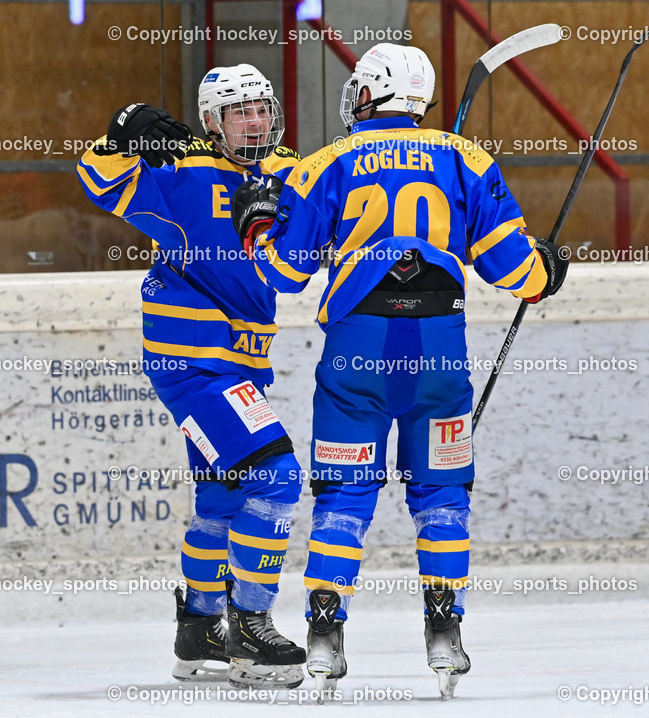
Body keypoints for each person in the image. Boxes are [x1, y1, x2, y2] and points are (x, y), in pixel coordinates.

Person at [230, 43, 569, 698]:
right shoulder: (467, 159)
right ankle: (446, 630)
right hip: (439, 349)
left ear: (367, 95)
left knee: (345, 497)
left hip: (358, 349)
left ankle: (325, 633)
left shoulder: (325, 163)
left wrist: (258, 228)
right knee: (441, 495)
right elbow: (519, 273)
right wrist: (548, 266)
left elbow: (284, 273)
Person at [76, 64, 307, 686]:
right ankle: (250, 626)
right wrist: (131, 129)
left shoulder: (287, 173)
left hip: (243, 364)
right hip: (194, 366)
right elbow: (95, 172)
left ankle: (199, 625)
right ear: (212, 122)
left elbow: (324, 236)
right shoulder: (181, 172)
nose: (255, 121)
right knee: (278, 478)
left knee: (223, 498)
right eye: (240, 112)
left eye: (262, 108)